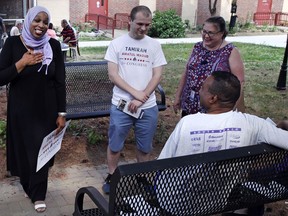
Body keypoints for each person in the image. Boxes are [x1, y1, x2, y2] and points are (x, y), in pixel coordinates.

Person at [158, 71, 288, 216]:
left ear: (213, 98)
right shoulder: (254, 124)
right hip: (216, 203)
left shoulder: (187, 123)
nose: (199, 91)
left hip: (175, 204)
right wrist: (284, 124)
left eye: (203, 88)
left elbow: (162, 165)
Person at [0, 6, 66, 213]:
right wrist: (22, 63)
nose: (41, 25)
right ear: (28, 21)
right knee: (23, 151)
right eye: (36, 20)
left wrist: (61, 113)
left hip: (46, 110)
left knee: (40, 151)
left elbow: (60, 82)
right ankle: (28, 184)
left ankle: (38, 194)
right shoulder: (12, 44)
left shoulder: (53, 45)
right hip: (20, 109)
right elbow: (1, 77)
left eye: (45, 22)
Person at [102, 5, 167, 194]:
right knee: (115, 145)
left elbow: (157, 76)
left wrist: (142, 97)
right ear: (129, 21)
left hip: (147, 107)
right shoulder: (117, 44)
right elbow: (113, 75)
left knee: (145, 147)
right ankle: (112, 176)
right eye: (139, 23)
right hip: (121, 105)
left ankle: (141, 177)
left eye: (147, 24)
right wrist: (135, 93)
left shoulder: (154, 45)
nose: (144, 28)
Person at [173, 16, 245, 117]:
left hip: (215, 107)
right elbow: (186, 72)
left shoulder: (230, 51)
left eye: (211, 33)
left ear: (221, 33)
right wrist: (178, 97)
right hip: (190, 102)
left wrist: (232, 109)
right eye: (204, 31)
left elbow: (239, 82)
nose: (206, 36)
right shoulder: (197, 47)